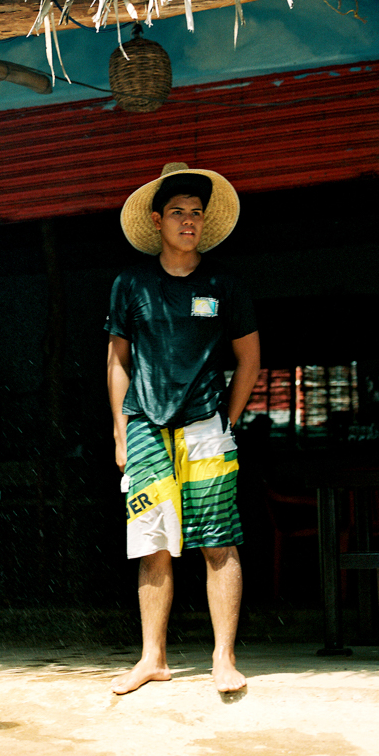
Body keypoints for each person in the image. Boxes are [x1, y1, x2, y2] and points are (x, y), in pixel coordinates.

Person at [105, 161, 260, 695]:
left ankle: (224, 657)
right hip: (146, 426)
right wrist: (122, 432)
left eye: (196, 213)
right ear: (157, 220)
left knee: (219, 543)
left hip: (206, 427)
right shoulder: (130, 283)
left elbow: (249, 359)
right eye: (178, 212)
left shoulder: (224, 283)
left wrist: (229, 422)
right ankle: (153, 658)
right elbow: (117, 361)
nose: (188, 221)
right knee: (152, 545)